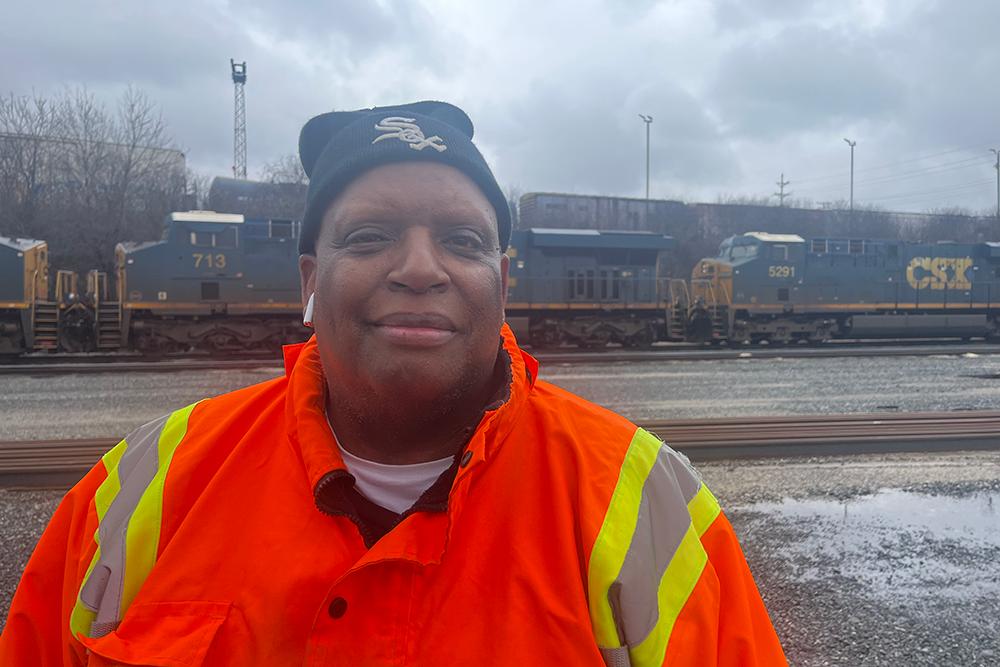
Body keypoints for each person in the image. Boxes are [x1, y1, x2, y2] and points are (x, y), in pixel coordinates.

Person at [0, 101, 786, 666]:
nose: (418, 267)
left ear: (502, 282)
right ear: (310, 277)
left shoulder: (648, 505)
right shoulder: (136, 492)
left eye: (462, 239)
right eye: (370, 236)